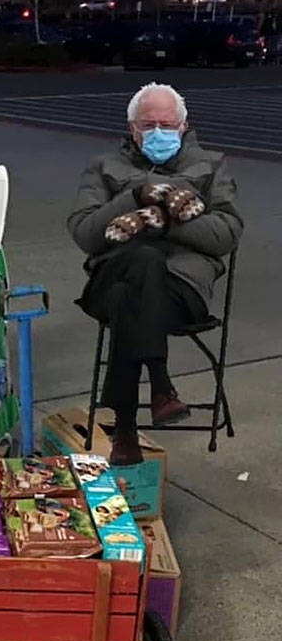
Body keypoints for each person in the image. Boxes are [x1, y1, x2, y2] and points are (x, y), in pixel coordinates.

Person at [68, 82, 243, 466]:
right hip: (111, 274)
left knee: (129, 289)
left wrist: (160, 221)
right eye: (149, 124)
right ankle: (160, 386)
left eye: (167, 124)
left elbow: (226, 233)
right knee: (140, 264)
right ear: (133, 129)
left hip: (180, 290)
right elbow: (84, 233)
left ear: (183, 126)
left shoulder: (210, 166)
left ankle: (126, 429)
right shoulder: (103, 167)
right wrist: (134, 197)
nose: (159, 132)